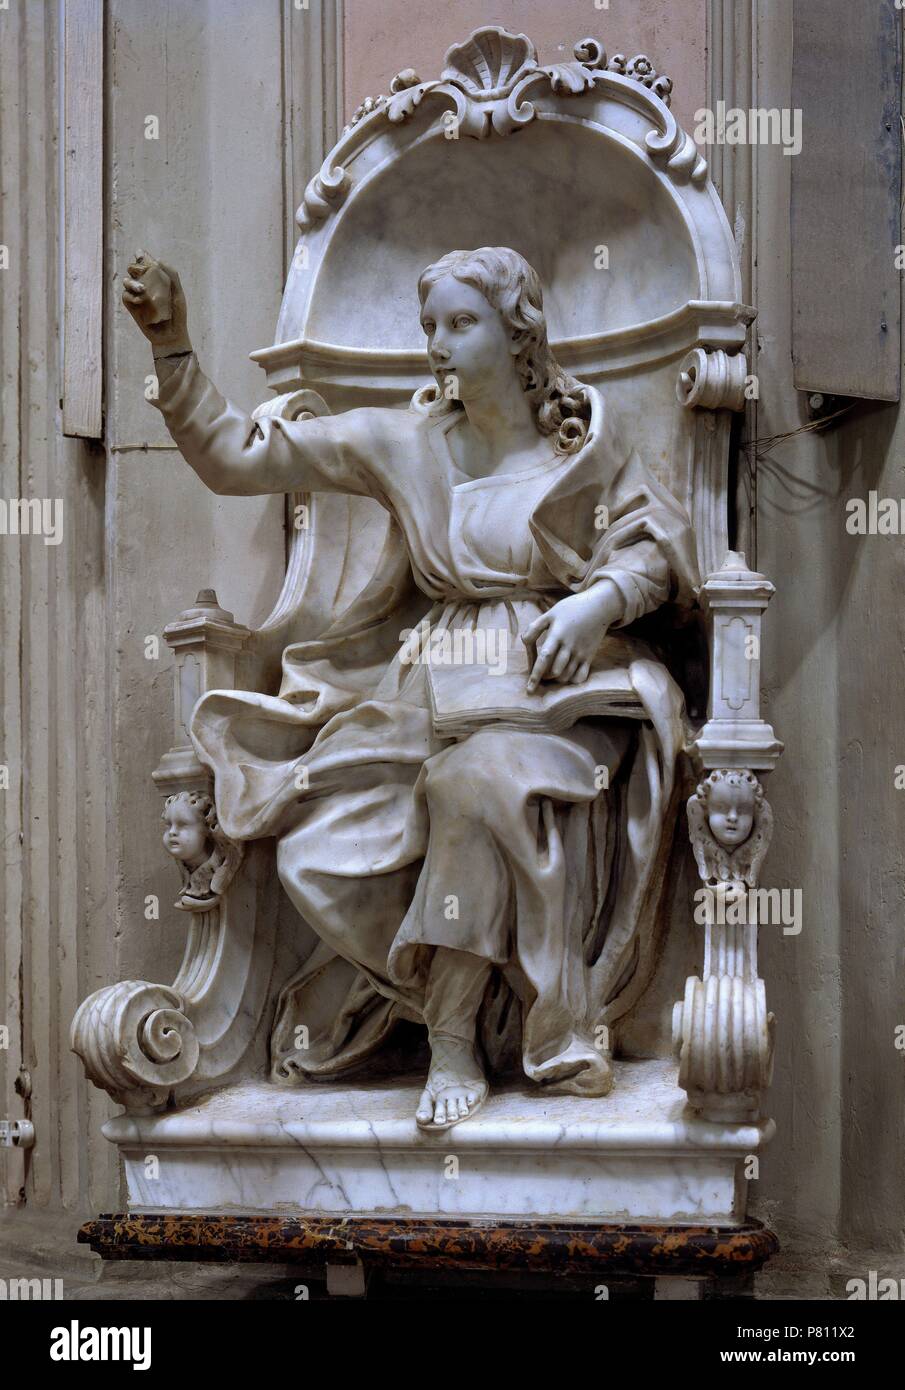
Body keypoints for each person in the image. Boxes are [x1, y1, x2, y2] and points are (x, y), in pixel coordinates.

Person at [122, 245, 699, 1130]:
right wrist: (173, 349)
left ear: (518, 335)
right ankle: (460, 986)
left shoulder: (582, 443)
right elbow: (238, 456)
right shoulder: (400, 439)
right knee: (315, 851)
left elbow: (656, 549)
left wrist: (594, 606)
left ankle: (461, 1039)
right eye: (428, 325)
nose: (437, 344)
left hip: (556, 687)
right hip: (426, 687)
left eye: (460, 324)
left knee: (470, 783)